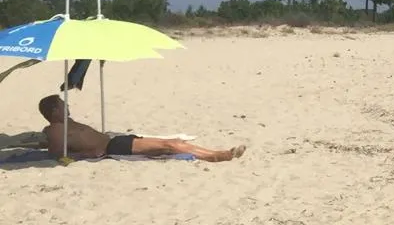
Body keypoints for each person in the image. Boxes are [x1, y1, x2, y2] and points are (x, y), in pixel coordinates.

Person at [37, 96, 246, 161]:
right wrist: (88, 153)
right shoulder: (54, 130)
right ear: (53, 111)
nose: (67, 106)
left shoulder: (67, 123)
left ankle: (215, 154)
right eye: (62, 105)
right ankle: (218, 155)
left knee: (172, 145)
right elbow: (57, 154)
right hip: (113, 147)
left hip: (115, 140)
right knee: (170, 144)